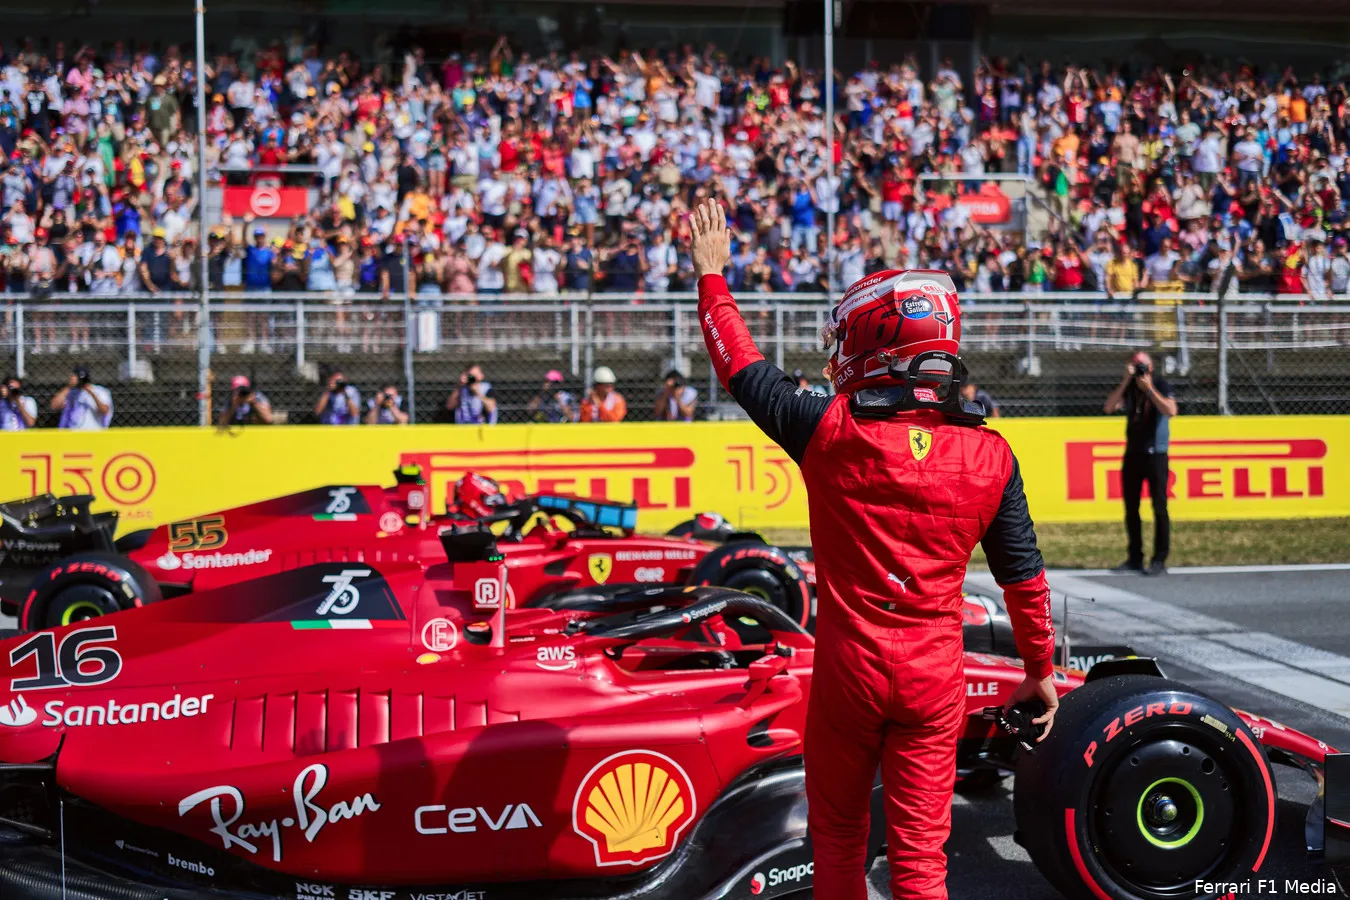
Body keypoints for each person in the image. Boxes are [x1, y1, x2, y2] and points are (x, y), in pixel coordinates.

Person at [689, 198, 1055, 900]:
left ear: (877, 343)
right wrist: (1039, 668)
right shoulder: (992, 456)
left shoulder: (827, 428)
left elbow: (740, 365)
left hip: (848, 676)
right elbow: (1025, 580)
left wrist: (713, 275)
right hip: (933, 680)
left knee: (836, 846)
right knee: (921, 867)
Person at [1103, 351, 1178, 576]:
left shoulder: (1160, 384)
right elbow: (1109, 407)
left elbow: (1171, 410)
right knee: (1131, 507)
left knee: (1159, 507)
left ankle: (1159, 559)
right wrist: (1126, 381)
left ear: (1152, 366)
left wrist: (1150, 390)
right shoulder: (1129, 386)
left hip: (1156, 454)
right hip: (1133, 453)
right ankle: (1135, 557)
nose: (1140, 370)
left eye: (1143, 366)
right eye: (1135, 366)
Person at [51, 366, 113, 430]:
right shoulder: (70, 392)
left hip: (93, 433)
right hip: (73, 434)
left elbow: (105, 411)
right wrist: (69, 387)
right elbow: (54, 406)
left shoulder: (99, 391)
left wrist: (92, 393)